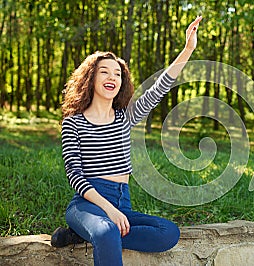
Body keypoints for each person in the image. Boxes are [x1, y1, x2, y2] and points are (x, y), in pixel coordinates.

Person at [51, 16, 202, 265]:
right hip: (88, 203)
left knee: (169, 233)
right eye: (105, 72)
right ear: (91, 77)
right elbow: (75, 176)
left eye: (118, 73)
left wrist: (188, 49)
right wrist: (109, 210)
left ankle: (84, 235)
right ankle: (95, 231)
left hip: (122, 200)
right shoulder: (73, 122)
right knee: (108, 230)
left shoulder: (125, 117)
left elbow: (159, 88)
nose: (112, 77)